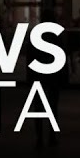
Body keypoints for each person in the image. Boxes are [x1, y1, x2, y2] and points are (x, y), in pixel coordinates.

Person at [26, 9, 68, 148]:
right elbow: (62, 55)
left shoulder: (35, 34)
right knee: (53, 105)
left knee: (38, 106)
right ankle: (52, 136)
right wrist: (64, 75)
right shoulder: (57, 34)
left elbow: (30, 56)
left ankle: (39, 138)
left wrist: (29, 75)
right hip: (53, 74)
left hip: (38, 74)